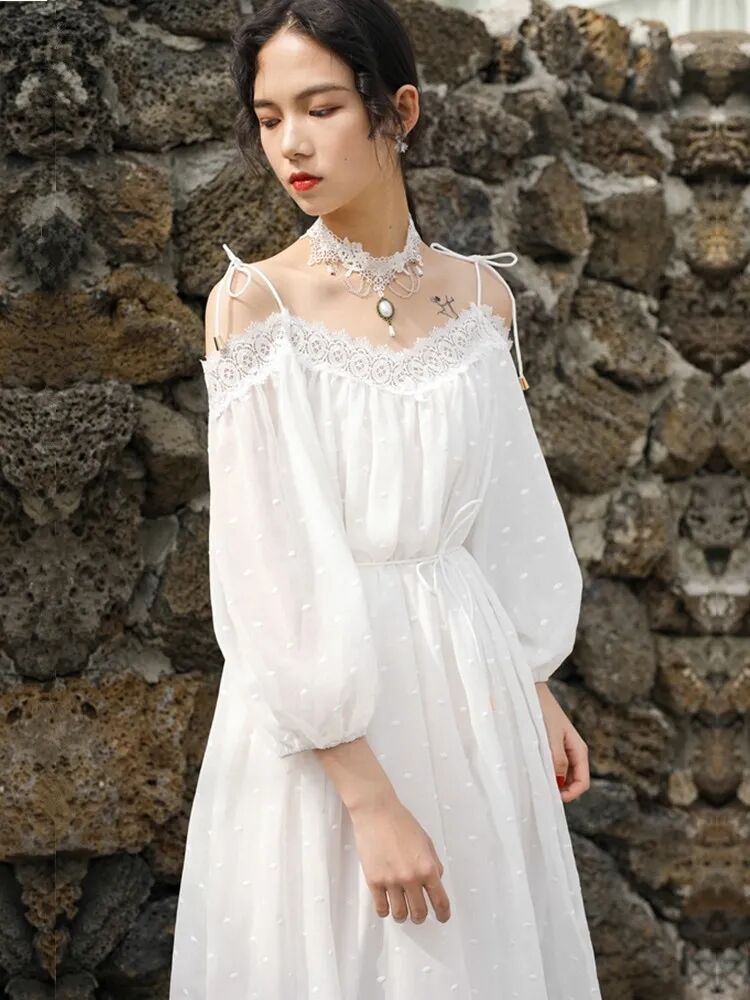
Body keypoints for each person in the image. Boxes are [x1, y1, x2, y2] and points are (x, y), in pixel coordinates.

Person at [169, 1, 602, 997]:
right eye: (269, 117)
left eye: (321, 107)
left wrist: (532, 683)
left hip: (473, 692)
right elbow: (265, 570)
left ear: (397, 110)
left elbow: (503, 511)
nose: (291, 143)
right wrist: (368, 799)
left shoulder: (480, 297)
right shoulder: (254, 306)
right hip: (327, 719)